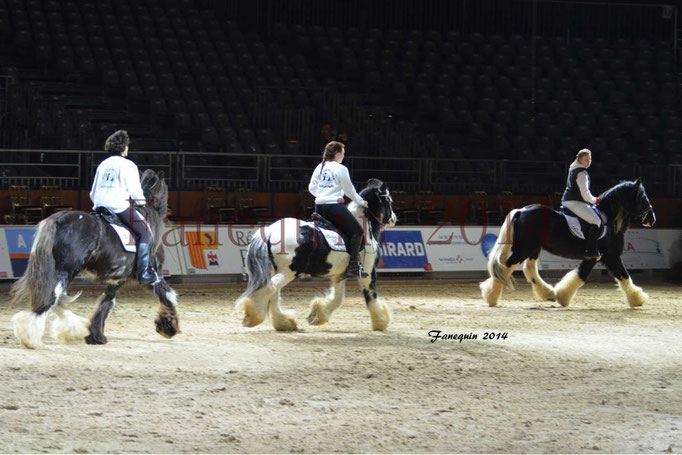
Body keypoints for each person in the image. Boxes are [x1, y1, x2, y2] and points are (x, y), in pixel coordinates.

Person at [90, 130, 159, 285]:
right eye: (127, 146)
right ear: (124, 147)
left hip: (99, 206)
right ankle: (144, 273)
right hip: (117, 206)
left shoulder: (103, 164)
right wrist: (141, 202)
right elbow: (134, 190)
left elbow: (93, 192)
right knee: (145, 233)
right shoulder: (128, 165)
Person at [308, 141, 369, 279]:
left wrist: (324, 195)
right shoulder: (341, 168)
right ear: (337, 154)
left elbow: (311, 188)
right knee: (357, 231)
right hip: (333, 208)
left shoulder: (320, 167)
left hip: (319, 207)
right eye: (343, 153)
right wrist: (361, 202)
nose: (343, 156)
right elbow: (350, 190)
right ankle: (353, 266)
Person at [561, 148, 602, 258]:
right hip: (575, 202)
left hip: (568, 201)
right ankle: (590, 251)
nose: (588, 162)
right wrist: (595, 200)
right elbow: (585, 194)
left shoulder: (573, 169)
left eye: (590, 159)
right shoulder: (582, 173)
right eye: (586, 159)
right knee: (596, 220)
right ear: (579, 159)